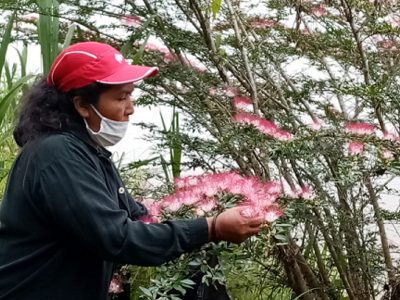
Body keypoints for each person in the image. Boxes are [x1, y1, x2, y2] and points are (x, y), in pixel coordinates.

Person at [0, 42, 265, 300]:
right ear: (81, 105)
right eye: (121, 97)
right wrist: (212, 228)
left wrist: (209, 208)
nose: (130, 108)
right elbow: (118, 238)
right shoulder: (57, 154)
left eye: (131, 95)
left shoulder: (88, 151)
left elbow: (138, 219)